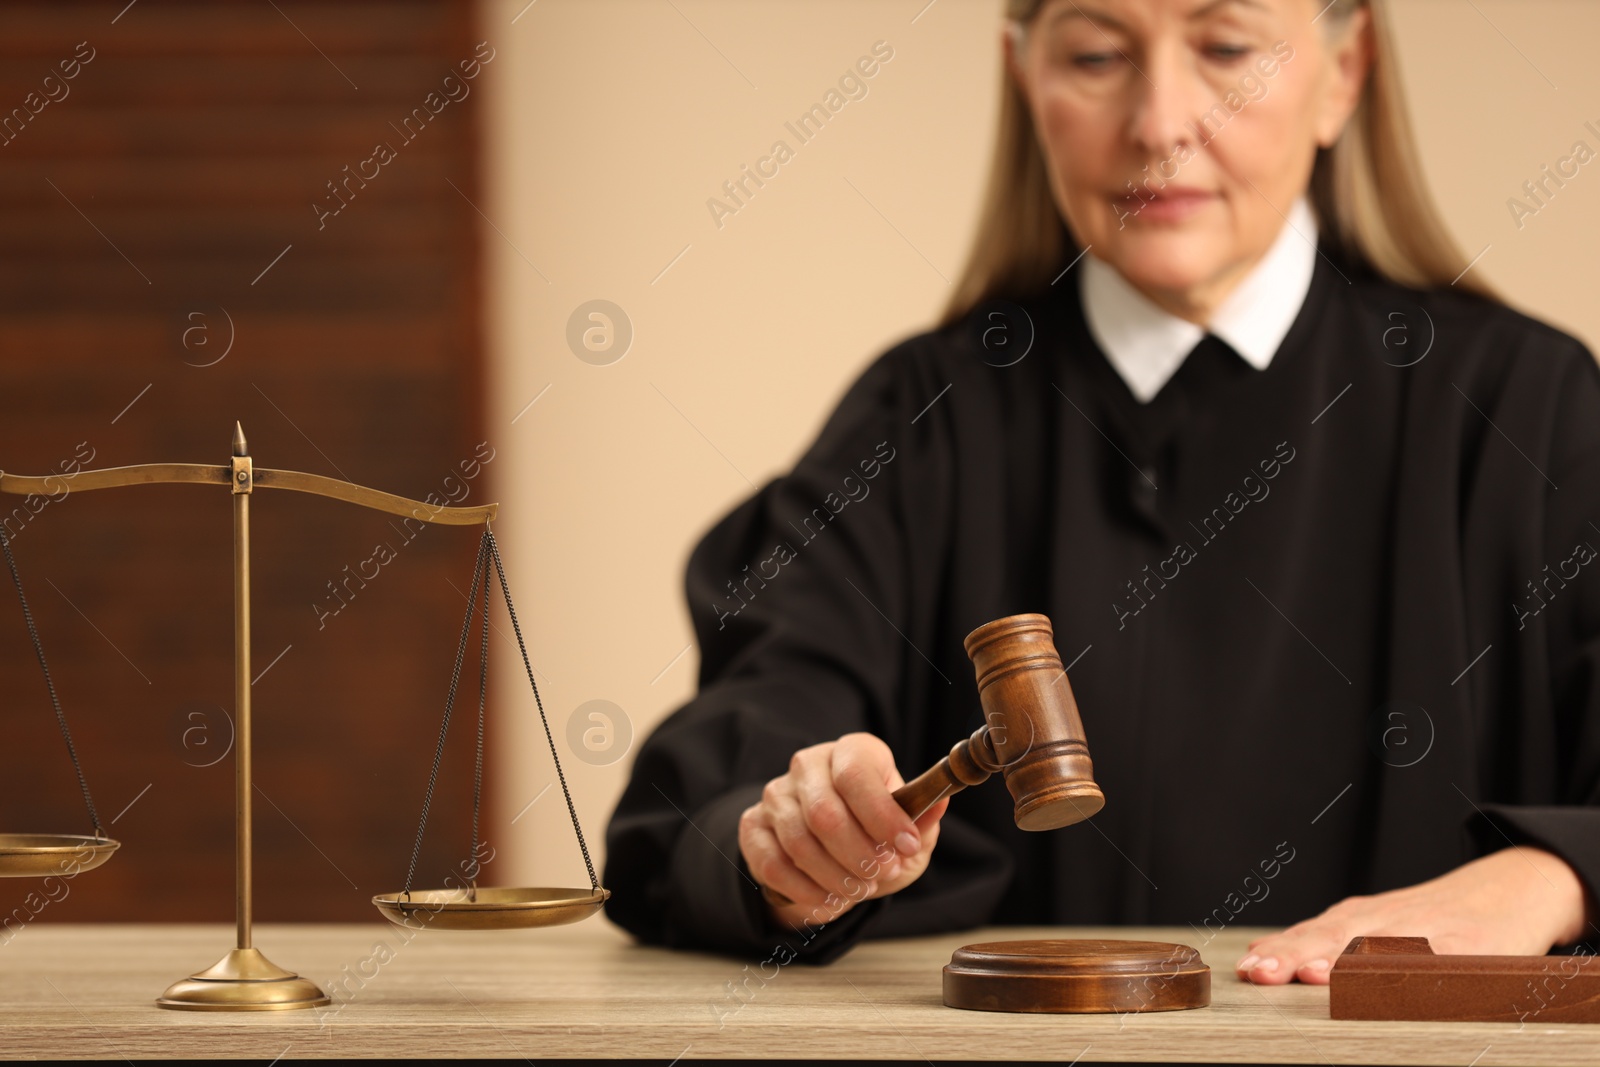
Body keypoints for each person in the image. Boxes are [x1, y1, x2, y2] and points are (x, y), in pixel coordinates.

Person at [604, 0, 1600, 985]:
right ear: (1023, 78)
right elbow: (723, 773)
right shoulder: (920, 421)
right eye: (1092, 53)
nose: (1160, 121)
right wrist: (797, 844)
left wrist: (1555, 873)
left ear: (1342, 74)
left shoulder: (1529, 409)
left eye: (1223, 47)